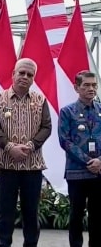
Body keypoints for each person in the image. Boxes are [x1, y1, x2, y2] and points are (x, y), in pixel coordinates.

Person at [0, 58, 52, 247]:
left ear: (33, 79)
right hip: (6, 165)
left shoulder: (41, 100)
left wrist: (31, 146)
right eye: (21, 73)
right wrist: (10, 148)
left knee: (31, 212)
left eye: (29, 75)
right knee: (5, 212)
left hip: (32, 166)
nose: (25, 77)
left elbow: (46, 127)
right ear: (13, 74)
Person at [58, 70, 101, 247]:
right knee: (76, 214)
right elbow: (65, 141)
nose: (91, 89)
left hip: (99, 171)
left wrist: (99, 161)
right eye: (86, 85)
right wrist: (88, 161)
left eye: (94, 85)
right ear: (77, 87)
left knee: (97, 215)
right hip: (77, 172)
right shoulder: (67, 111)